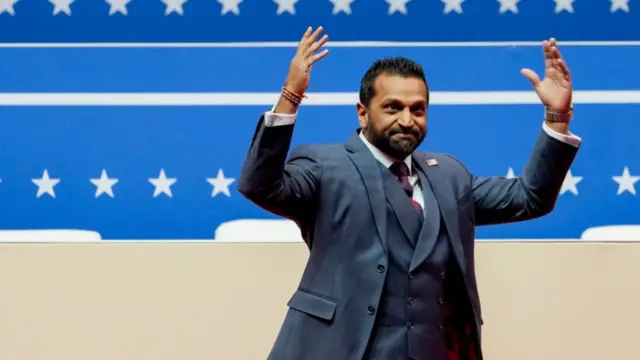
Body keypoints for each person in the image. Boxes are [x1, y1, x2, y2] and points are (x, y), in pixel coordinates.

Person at [237, 26, 580, 360]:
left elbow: (528, 198)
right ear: (362, 112)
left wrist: (557, 116)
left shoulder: (449, 175)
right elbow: (260, 185)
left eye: (417, 109)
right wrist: (290, 97)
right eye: (392, 107)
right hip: (342, 348)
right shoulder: (324, 165)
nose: (407, 119)